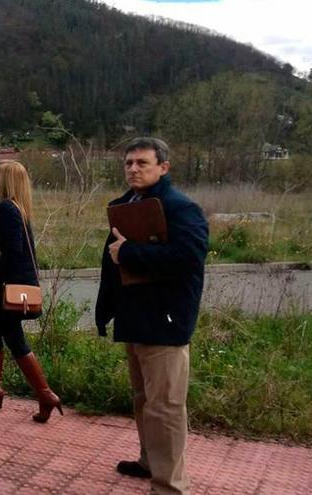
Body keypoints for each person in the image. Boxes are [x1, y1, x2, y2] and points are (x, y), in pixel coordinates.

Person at [95, 137, 208, 495]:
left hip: (166, 321)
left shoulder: (181, 208)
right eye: (128, 163)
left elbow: (188, 258)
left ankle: (170, 486)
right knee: (143, 399)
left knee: (166, 408)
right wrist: (107, 309)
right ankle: (149, 462)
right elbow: (112, 261)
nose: (133, 169)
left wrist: (129, 254)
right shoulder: (127, 204)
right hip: (135, 318)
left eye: (142, 163)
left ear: (164, 167)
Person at [0, 160, 62, 422]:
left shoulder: (7, 210)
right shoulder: (8, 208)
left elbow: (14, 252)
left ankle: (45, 394)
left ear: (6, 180)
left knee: (14, 339)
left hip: (0, 291)